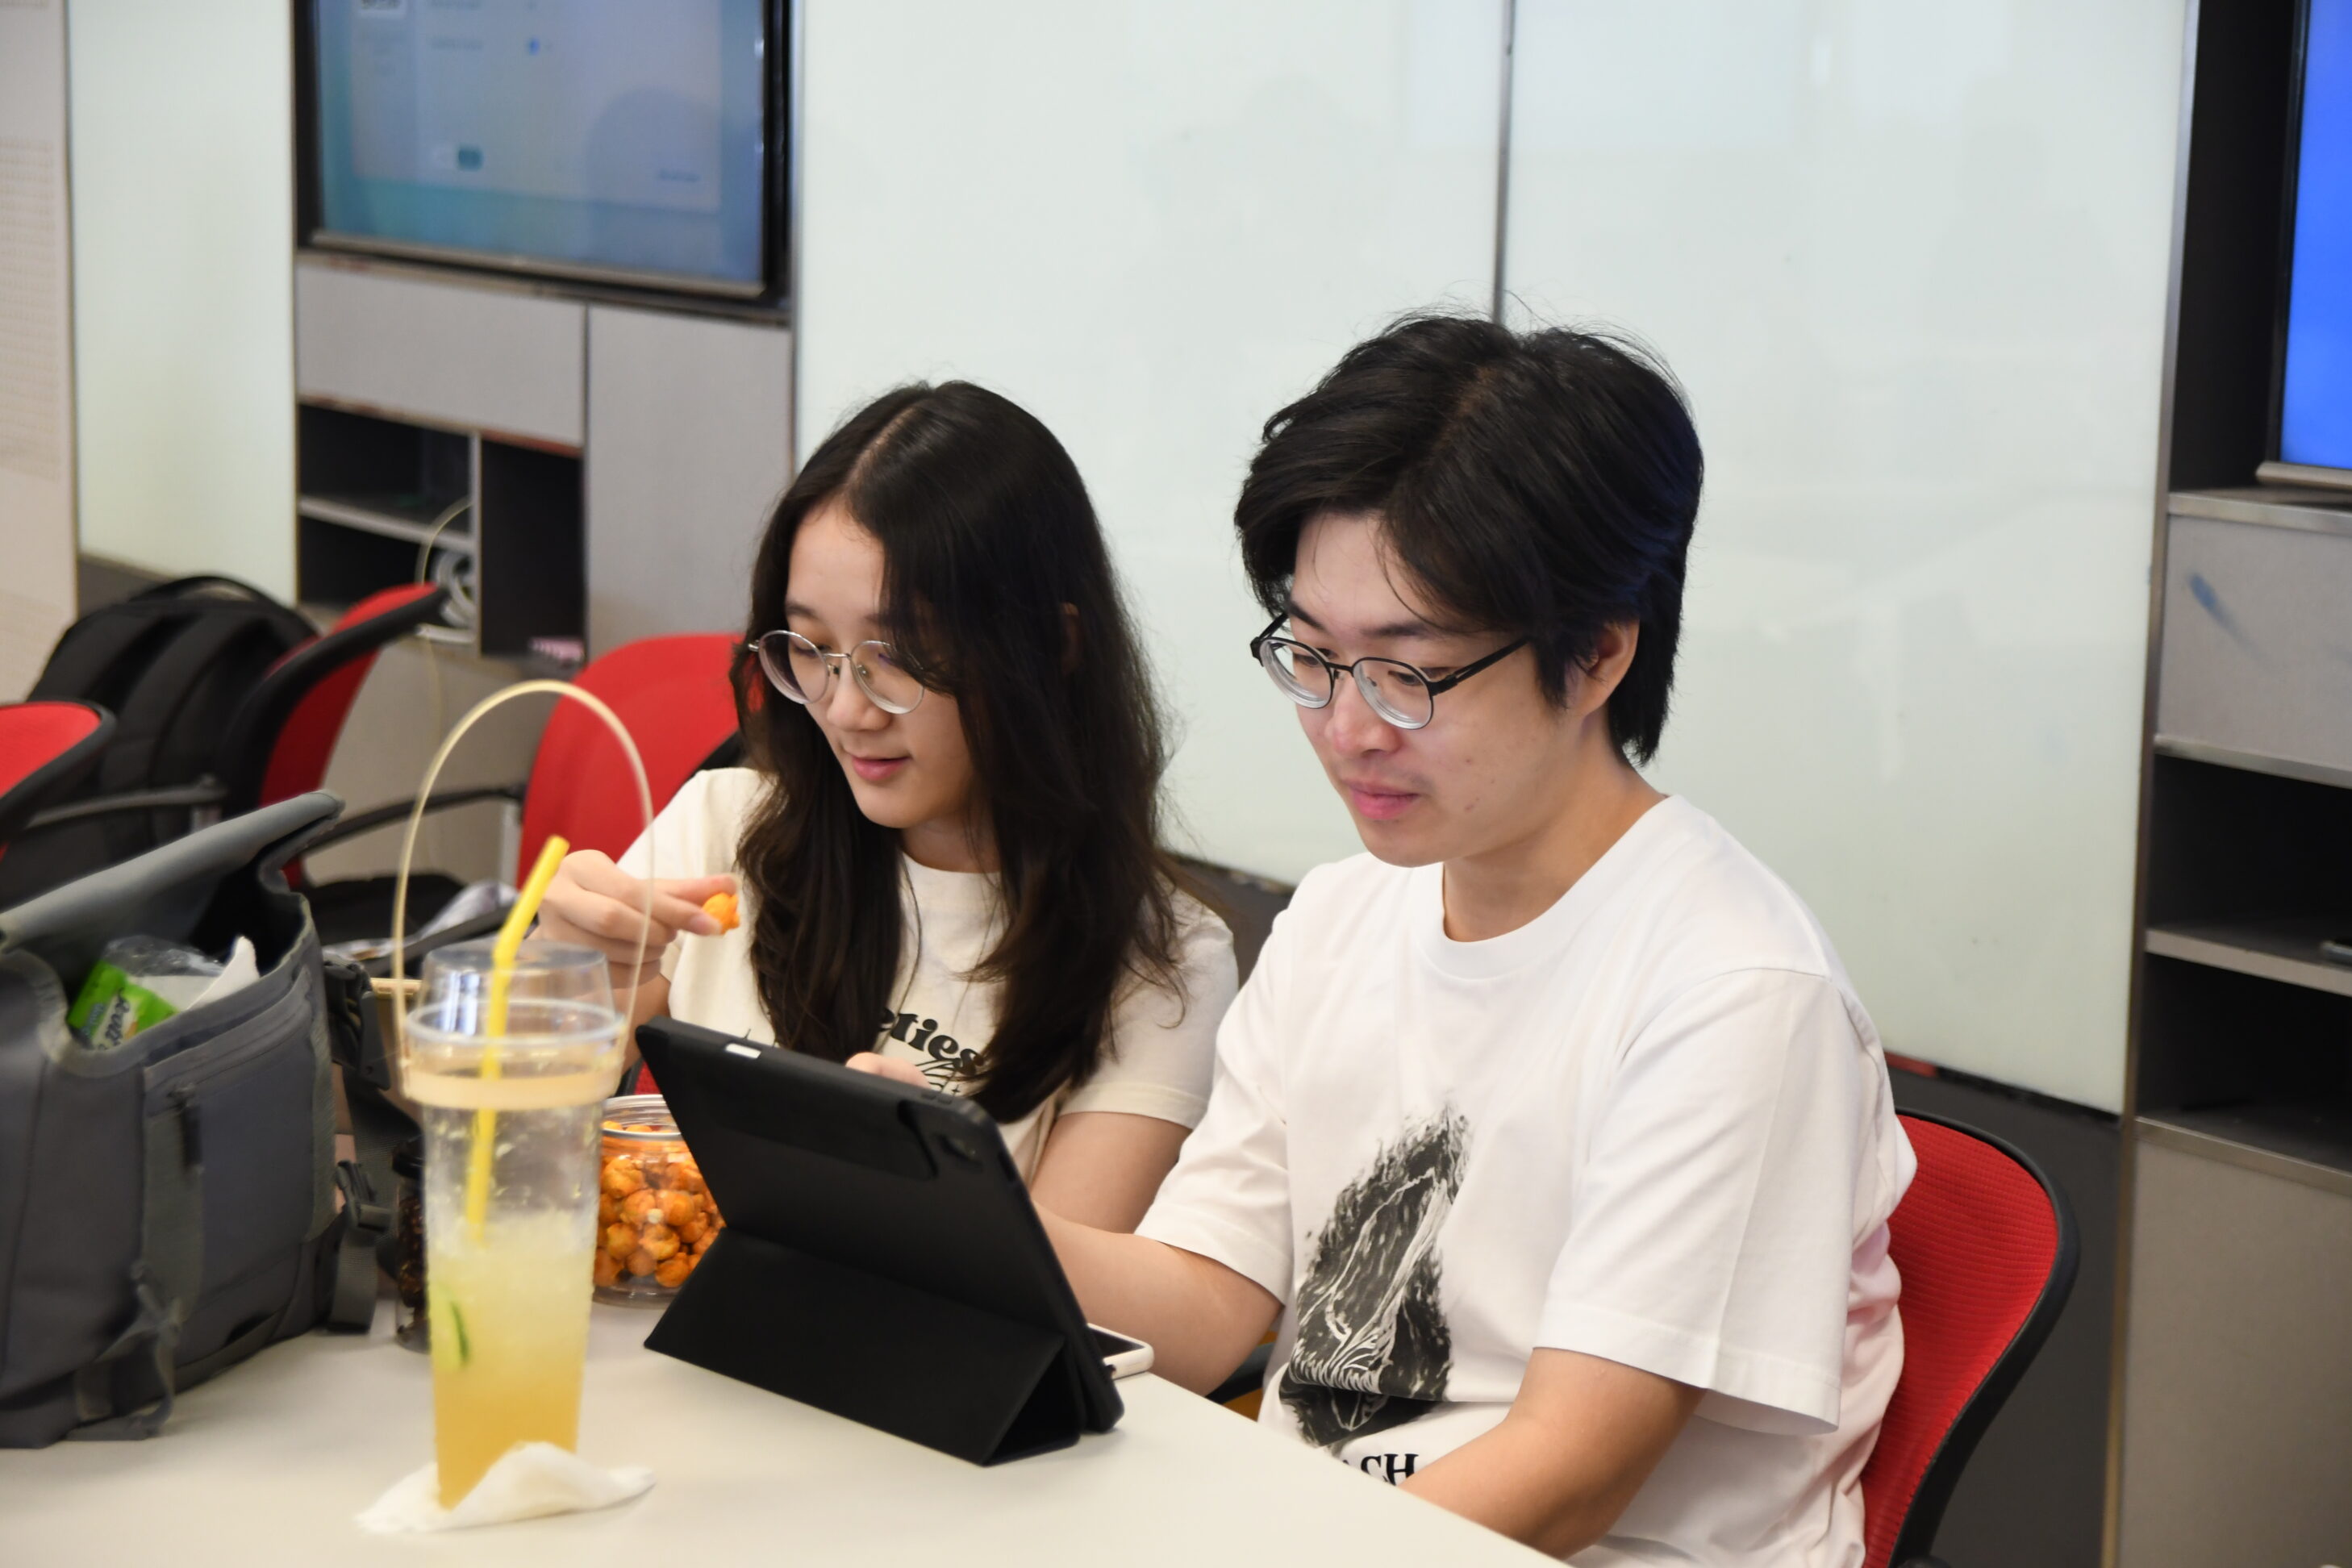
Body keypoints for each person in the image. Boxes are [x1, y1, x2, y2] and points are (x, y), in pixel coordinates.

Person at [1033, 316, 1913, 1563]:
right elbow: (1208, 1302)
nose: (1347, 729)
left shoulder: (1734, 991)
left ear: (1597, 654)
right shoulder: (1342, 915)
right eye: (1312, 656)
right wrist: (966, 1215)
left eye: (1410, 675)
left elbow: (1569, 1476)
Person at [537, 382, 1237, 1232]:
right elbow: (503, 1156)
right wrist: (556, 984)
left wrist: (920, 1196)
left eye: (901, 654)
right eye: (813, 648)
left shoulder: (1161, 963)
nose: (846, 709)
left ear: (1054, 646)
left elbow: (1056, 1290)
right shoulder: (723, 828)